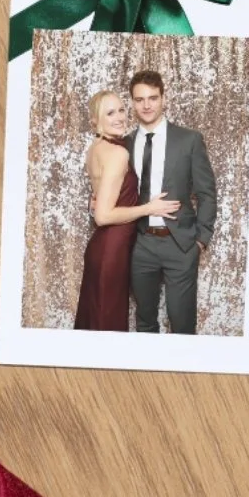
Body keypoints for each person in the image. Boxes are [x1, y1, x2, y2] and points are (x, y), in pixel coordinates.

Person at [74, 91, 179, 331]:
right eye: (110, 113)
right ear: (95, 120)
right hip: (111, 249)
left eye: (121, 110)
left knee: (94, 325)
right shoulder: (118, 153)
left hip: (105, 249)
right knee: (105, 327)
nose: (120, 117)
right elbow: (103, 216)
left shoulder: (96, 149)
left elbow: (100, 202)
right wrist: (149, 208)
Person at [126, 70, 217, 334]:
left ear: (163, 98)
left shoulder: (189, 140)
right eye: (139, 99)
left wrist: (200, 240)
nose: (146, 105)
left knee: (182, 325)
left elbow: (207, 193)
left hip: (181, 244)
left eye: (152, 98)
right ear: (132, 102)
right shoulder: (125, 143)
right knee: (144, 322)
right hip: (139, 243)